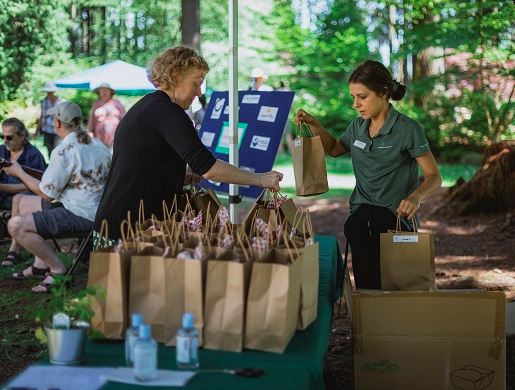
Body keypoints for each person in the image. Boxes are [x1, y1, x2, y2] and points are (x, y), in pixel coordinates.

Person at [93, 46, 283, 241]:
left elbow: (142, 167)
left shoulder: (149, 106)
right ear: (175, 76)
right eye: (196, 83)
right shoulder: (169, 113)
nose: (200, 92)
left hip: (116, 225)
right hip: (129, 231)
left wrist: (179, 175)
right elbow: (208, 168)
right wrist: (261, 179)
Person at [295, 60, 442, 289]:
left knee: (397, 289)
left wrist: (416, 197)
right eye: (353, 97)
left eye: (362, 97)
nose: (356, 104)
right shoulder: (357, 127)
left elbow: (434, 177)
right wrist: (316, 125)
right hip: (360, 218)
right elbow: (334, 149)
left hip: (394, 220)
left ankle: (396, 323)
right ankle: (369, 323)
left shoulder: (409, 130)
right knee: (366, 286)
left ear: (383, 93)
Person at [4, 101, 111, 292]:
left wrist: (19, 172)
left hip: (81, 215)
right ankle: (39, 264)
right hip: (99, 211)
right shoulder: (99, 145)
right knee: (25, 202)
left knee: (15, 225)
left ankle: (58, 270)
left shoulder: (64, 150)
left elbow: (46, 194)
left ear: (58, 123)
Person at [88, 82, 126, 149]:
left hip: (114, 138)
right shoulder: (96, 104)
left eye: (106, 90)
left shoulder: (117, 103)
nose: (104, 92)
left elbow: (125, 119)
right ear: (99, 92)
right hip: (99, 138)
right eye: (101, 90)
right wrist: (90, 132)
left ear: (110, 92)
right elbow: (91, 120)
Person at [35, 81, 62, 157]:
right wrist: (37, 131)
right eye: (48, 92)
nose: (49, 93)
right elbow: (41, 117)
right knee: (50, 152)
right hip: (47, 131)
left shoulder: (61, 102)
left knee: (58, 151)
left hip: (58, 131)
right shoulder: (44, 102)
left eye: (51, 92)